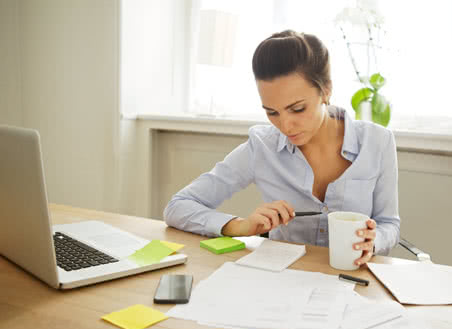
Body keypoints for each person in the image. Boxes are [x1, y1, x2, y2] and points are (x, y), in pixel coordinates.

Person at [164, 30, 400, 266]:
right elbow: (178, 206)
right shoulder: (262, 146)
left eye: (297, 109)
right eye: (272, 112)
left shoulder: (377, 142)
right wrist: (241, 226)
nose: (285, 126)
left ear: (326, 90)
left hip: (354, 281)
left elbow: (389, 224)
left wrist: (374, 240)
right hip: (284, 279)